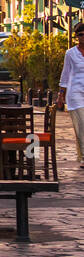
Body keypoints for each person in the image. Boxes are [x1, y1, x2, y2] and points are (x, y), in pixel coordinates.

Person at [57, 23, 84, 169]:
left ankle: (81, 156)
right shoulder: (71, 53)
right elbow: (65, 75)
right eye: (80, 35)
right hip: (75, 94)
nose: (83, 37)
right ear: (76, 37)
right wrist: (61, 94)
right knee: (81, 126)